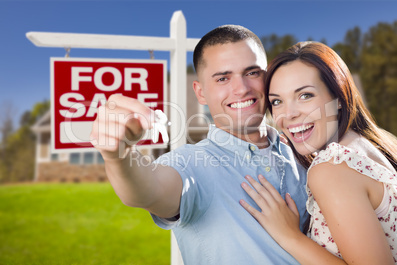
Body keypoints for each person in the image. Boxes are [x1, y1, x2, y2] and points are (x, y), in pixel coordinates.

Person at [90, 25, 308, 264]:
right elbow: (148, 190)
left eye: (252, 72)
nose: (242, 88)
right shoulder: (191, 163)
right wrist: (119, 157)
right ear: (201, 92)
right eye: (223, 78)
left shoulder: (302, 152)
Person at [240, 41, 397, 265]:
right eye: (277, 101)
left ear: (337, 97)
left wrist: (290, 236)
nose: (288, 115)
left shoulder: (332, 168)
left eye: (305, 95)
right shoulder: (370, 145)